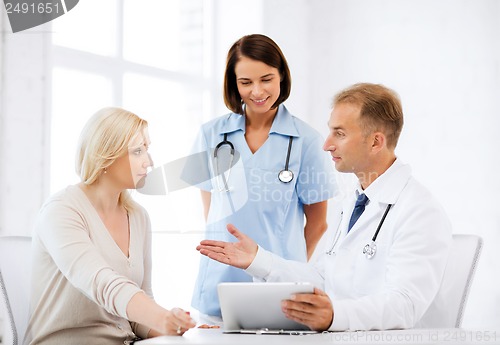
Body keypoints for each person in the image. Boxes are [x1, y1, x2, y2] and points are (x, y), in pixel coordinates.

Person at [196, 83, 453, 331]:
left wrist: (335, 315)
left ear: (376, 142)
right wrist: (258, 259)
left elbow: (405, 305)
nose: (326, 144)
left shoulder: (419, 211)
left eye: (339, 133)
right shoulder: (353, 201)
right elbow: (325, 277)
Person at [191, 34, 337, 318]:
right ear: (233, 84)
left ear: (281, 75)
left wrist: (284, 271)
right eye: (245, 82)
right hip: (217, 286)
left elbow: (318, 224)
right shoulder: (209, 135)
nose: (257, 91)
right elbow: (212, 213)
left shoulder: (307, 141)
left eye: (266, 79)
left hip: (279, 292)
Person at [24, 108, 196, 345]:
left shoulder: (138, 216)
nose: (149, 162)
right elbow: (101, 283)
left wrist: (171, 328)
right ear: (104, 156)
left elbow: (137, 313)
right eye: (138, 151)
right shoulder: (61, 210)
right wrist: (161, 317)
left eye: (147, 149)